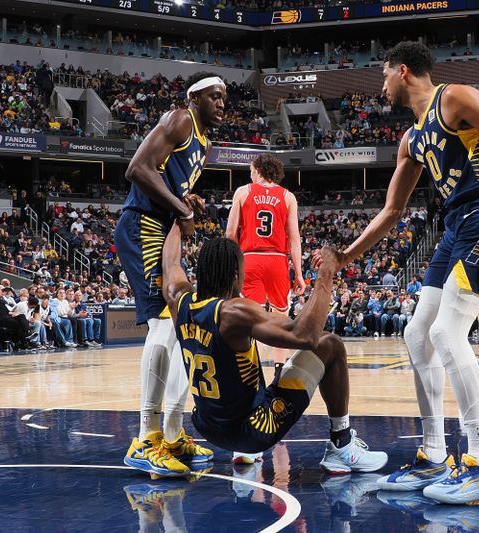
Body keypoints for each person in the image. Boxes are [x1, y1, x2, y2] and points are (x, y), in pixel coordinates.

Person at [324, 41, 479, 504]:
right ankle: (434, 453)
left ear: (403, 72)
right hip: (455, 225)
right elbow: (392, 210)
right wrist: (346, 255)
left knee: (446, 334)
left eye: (383, 77)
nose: (380, 87)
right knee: (417, 334)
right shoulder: (411, 139)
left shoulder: (454, 97)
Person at [160, 224, 388, 473]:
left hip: (207, 427)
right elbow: (305, 335)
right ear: (236, 274)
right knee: (329, 344)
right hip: (253, 431)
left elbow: (171, 263)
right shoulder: (234, 312)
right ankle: (341, 445)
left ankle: (244, 450)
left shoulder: (177, 299)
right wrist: (326, 273)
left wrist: (179, 219)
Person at [117, 72, 224, 476]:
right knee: (164, 326)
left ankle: (174, 433)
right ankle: (146, 437)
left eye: (224, 98)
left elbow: (164, 178)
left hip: (162, 228)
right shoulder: (180, 119)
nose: (221, 103)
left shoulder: (205, 143)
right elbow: (137, 168)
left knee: (181, 326)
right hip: (142, 224)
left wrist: (184, 198)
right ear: (194, 97)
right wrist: (181, 208)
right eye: (214, 96)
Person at [224, 155, 305, 466]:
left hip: (250, 259)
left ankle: (253, 381)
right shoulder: (288, 196)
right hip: (276, 259)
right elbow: (295, 237)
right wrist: (297, 272)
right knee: (281, 322)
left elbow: (231, 234)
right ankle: (279, 378)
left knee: (251, 323)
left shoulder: (243, 192)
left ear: (257, 171)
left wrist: (231, 267)